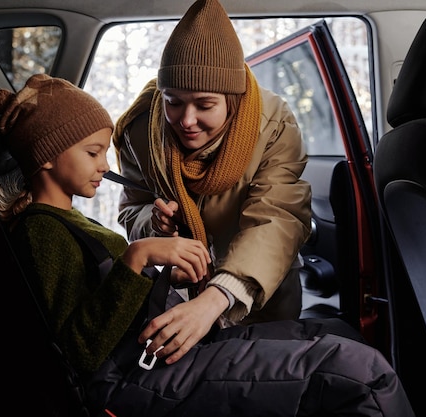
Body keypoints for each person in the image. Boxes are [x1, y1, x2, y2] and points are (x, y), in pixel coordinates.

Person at [0, 73, 415, 416]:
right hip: (134, 374)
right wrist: (141, 253)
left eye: (102, 152)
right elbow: (80, 350)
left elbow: (277, 218)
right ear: (47, 155)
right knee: (360, 374)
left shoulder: (67, 220)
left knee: (343, 336)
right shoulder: (41, 231)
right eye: (93, 153)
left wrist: (166, 275)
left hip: (157, 346)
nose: (105, 165)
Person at [112, 0, 311, 349]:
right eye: (173, 102)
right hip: (176, 292)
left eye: (204, 105)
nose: (186, 120)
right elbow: (133, 209)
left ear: (232, 100)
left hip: (258, 294)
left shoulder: (274, 123)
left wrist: (215, 299)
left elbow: (278, 217)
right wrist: (154, 226)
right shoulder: (139, 129)